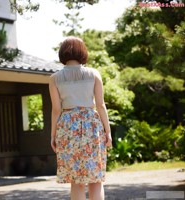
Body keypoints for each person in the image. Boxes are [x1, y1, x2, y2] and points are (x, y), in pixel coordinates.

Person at [49, 36, 112, 200]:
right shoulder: (93, 74)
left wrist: (53, 135)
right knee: (95, 179)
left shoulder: (54, 78)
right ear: (82, 52)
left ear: (62, 53)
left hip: (67, 126)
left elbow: (56, 109)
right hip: (92, 125)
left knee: (76, 181)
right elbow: (100, 105)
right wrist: (108, 132)